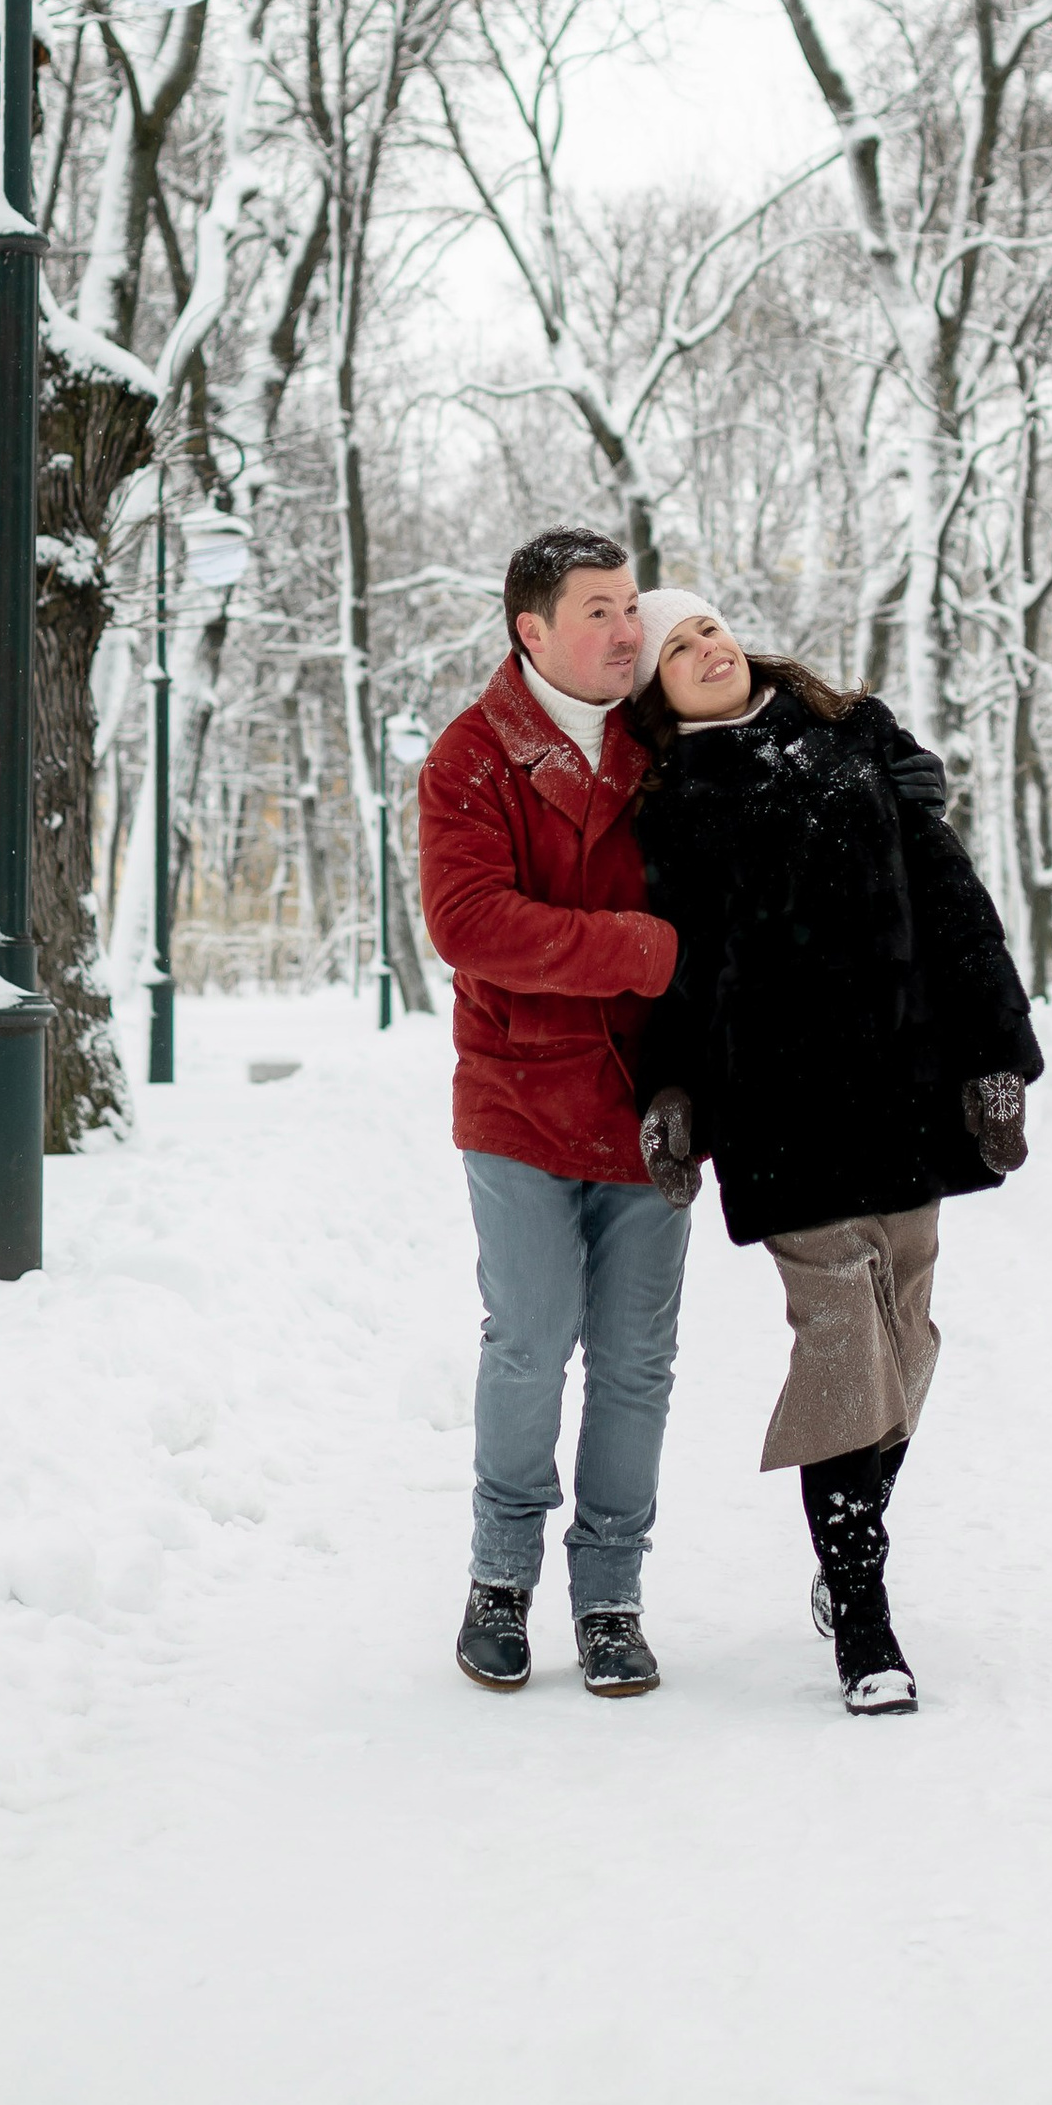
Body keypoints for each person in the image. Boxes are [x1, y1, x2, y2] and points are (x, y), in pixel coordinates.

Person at [625, 591, 1041, 1718]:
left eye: (707, 628)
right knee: (842, 1337)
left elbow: (955, 901)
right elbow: (671, 961)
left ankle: (846, 1538)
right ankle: (864, 1614)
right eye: (674, 647)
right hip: (777, 1106)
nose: (704, 649)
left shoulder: (858, 736)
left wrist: (998, 1055)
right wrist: (670, 1090)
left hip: (904, 1082)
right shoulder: (666, 802)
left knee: (905, 1329)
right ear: (654, 691)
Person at [416, 528, 689, 1700]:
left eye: (631, 606)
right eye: (599, 609)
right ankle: (500, 1576)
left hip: (649, 1104)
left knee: (636, 1359)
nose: (628, 629)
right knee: (530, 1340)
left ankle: (611, 1590)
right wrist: (636, 947)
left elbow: (775, 741)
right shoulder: (471, 757)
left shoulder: (662, 744)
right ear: (532, 628)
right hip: (519, 1096)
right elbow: (471, 921)